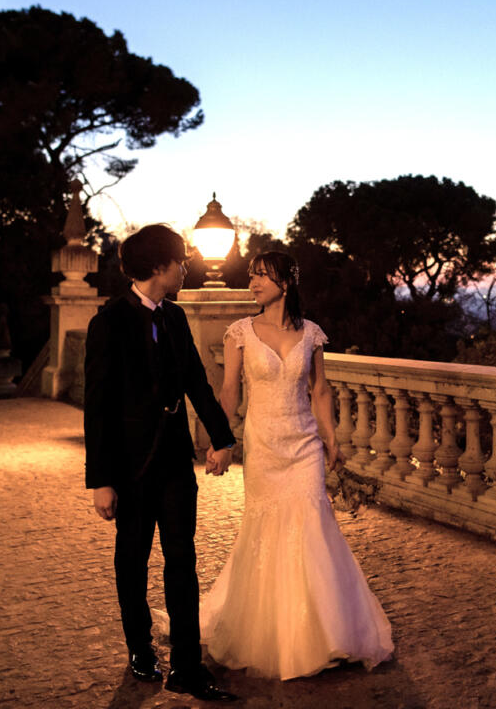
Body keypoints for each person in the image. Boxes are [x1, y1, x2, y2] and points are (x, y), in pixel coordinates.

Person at [199, 250, 394, 680]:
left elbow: (320, 390)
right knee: (266, 527)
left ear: (285, 283)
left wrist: (331, 439)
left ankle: (327, 632)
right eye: (251, 276)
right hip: (264, 445)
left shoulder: (311, 333)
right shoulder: (240, 333)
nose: (253, 284)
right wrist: (221, 440)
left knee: (312, 523)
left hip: (304, 443)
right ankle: (276, 631)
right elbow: (229, 391)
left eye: (262, 277)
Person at [83, 224, 239, 702]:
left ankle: (187, 666)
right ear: (158, 266)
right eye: (180, 261)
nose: (185, 268)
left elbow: (196, 382)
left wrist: (223, 439)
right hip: (129, 469)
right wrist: (101, 480)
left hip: (174, 462)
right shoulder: (108, 322)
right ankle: (140, 649)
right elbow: (97, 406)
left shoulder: (175, 316)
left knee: (182, 559)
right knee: (132, 560)